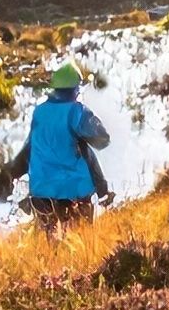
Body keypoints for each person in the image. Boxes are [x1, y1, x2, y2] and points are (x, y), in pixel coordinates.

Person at [9, 63, 113, 229]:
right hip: (74, 191)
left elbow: (29, 150)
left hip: (41, 193)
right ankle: (102, 195)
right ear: (75, 89)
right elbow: (102, 139)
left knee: (50, 245)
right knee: (81, 243)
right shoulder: (77, 112)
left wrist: (12, 174)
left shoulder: (40, 112)